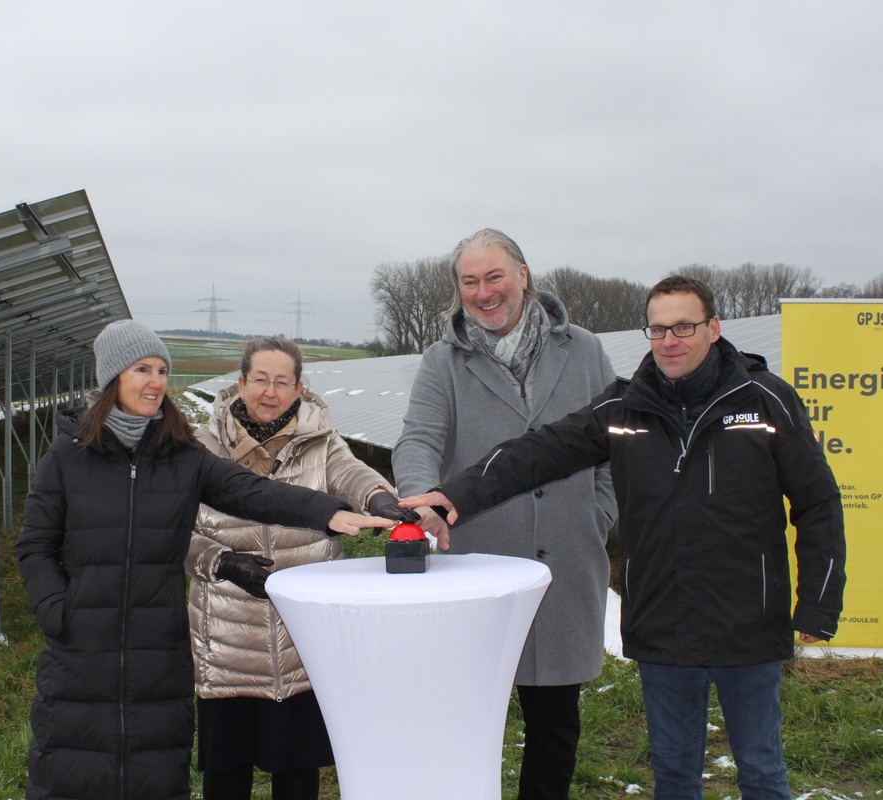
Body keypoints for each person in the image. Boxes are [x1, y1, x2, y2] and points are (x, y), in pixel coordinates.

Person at [401, 275, 848, 800]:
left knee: (761, 771)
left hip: (749, 618)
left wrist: (818, 602)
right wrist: (456, 495)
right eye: (657, 330)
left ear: (714, 328)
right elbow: (539, 451)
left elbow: (818, 503)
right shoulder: (625, 408)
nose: (670, 341)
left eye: (684, 326)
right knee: (675, 775)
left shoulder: (766, 401)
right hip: (662, 618)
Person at [15, 320, 400, 800]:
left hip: (160, 648)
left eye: (161, 370)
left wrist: (333, 513)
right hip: (88, 648)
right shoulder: (68, 457)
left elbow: (256, 493)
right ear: (113, 377)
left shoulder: (180, 456)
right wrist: (58, 611)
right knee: (75, 768)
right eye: (142, 369)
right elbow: (35, 544)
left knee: (156, 769)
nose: (155, 381)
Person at [391, 228, 619, 800]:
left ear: (523, 275)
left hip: (565, 556)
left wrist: (601, 511)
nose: (484, 292)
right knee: (473, 718)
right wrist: (425, 504)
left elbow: (615, 438)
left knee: (554, 721)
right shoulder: (444, 360)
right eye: (470, 281)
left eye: (495, 276)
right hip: (479, 556)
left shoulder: (584, 350)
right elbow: (417, 440)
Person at [186, 336, 422, 800]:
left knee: (297, 774)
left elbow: (352, 474)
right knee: (226, 777)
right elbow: (174, 533)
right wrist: (222, 561)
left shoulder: (321, 442)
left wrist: (380, 499)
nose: (269, 392)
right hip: (229, 640)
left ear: (298, 389)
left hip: (304, 642)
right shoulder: (199, 447)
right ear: (240, 383)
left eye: (281, 382)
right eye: (259, 380)